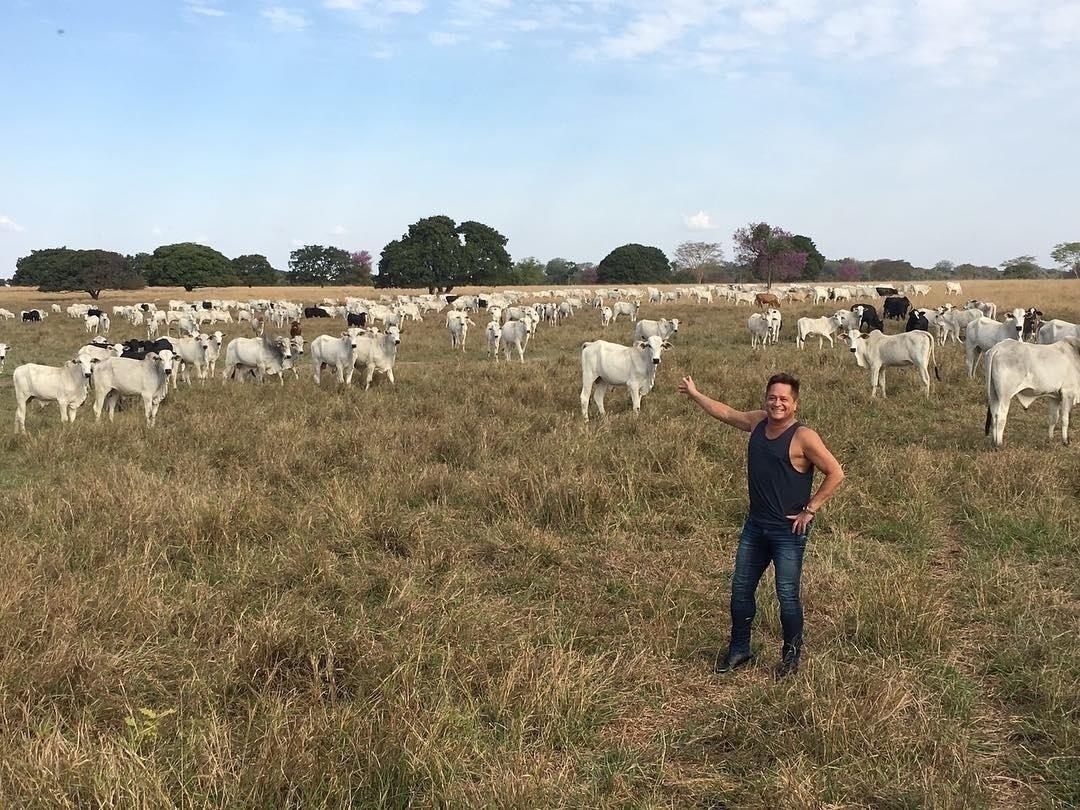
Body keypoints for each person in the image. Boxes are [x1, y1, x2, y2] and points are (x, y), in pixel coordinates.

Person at [678, 372, 844, 678]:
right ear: (765, 398)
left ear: (795, 403)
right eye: (772, 397)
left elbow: (835, 472)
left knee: (787, 595)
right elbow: (726, 413)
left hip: (788, 532)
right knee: (741, 590)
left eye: (783, 399)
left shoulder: (803, 437)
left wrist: (810, 509)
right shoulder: (757, 422)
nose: (776, 403)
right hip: (755, 527)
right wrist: (696, 394)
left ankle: (791, 657)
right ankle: (740, 649)